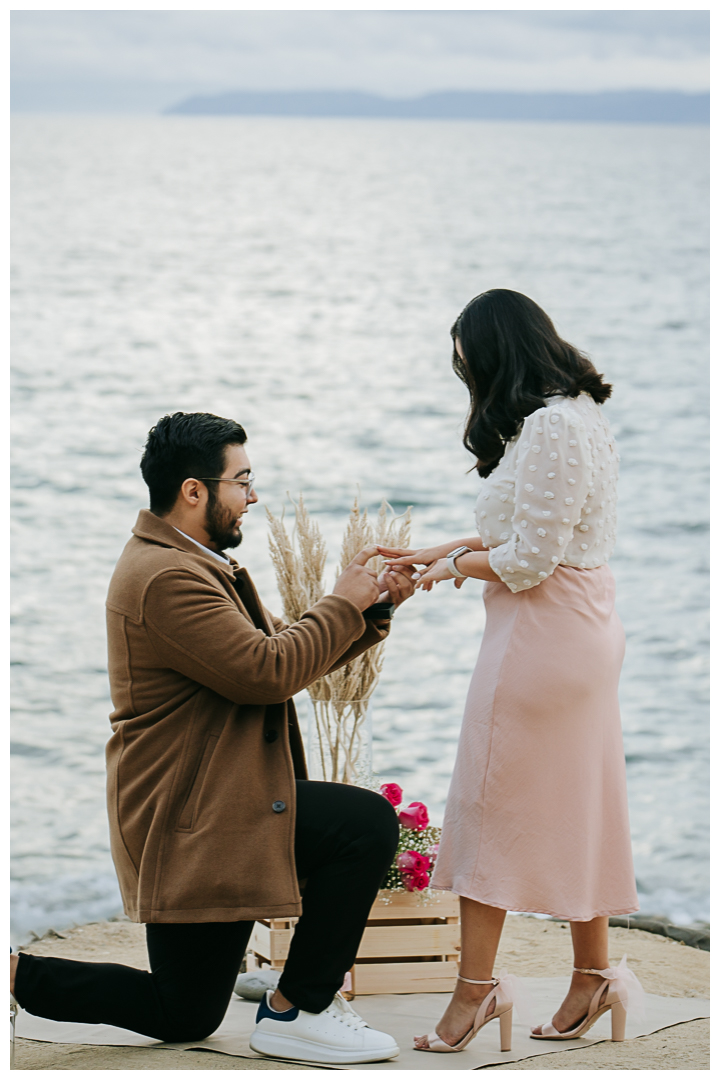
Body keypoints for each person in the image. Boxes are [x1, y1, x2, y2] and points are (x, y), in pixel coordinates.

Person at [11, 410, 417, 1065]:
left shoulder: (193, 565)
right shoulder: (167, 578)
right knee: (362, 823)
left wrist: (371, 610)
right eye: (242, 481)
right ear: (194, 491)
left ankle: (12, 978)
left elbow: (283, 655)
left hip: (212, 808)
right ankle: (299, 1008)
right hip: (196, 816)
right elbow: (267, 671)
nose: (252, 498)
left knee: (185, 1012)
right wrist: (342, 601)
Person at [381, 289, 641, 1054]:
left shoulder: (553, 426)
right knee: (579, 804)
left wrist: (447, 571)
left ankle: (476, 993)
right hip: (582, 628)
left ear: (499, 354)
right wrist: (438, 553)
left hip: (540, 635)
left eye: (471, 365)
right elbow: (533, 528)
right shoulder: (579, 416)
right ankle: (591, 975)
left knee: (489, 807)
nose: (471, 382)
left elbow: (528, 562)